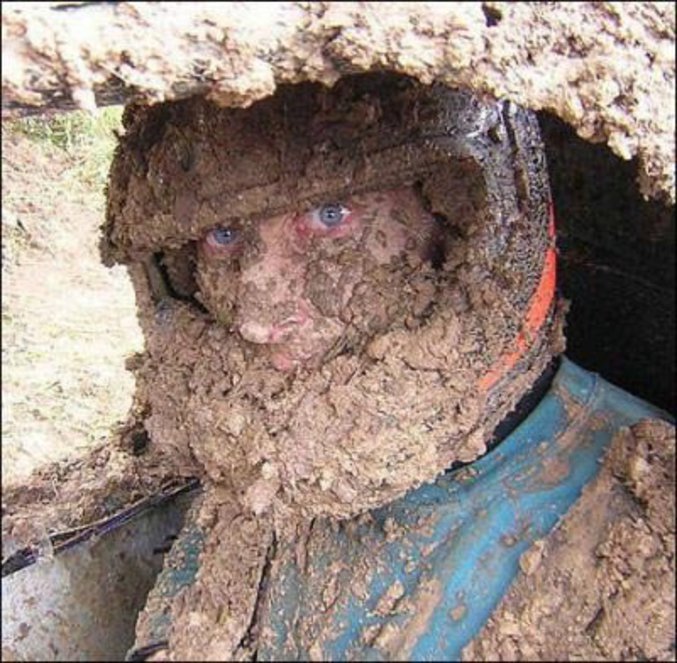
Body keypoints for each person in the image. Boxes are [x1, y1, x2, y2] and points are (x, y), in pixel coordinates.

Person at [100, 74, 673, 661]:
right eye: (224, 235)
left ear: (464, 220)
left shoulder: (642, 533)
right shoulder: (264, 448)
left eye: (330, 216)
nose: (256, 317)